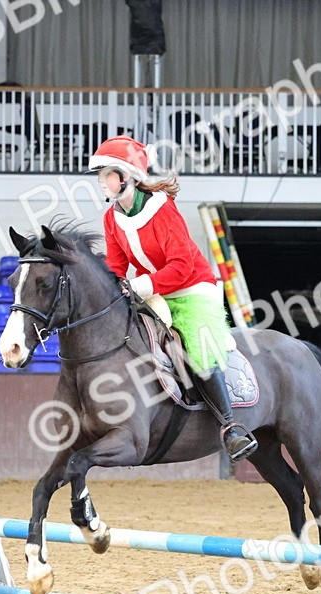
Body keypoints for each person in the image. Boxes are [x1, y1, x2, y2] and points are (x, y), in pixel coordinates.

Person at [87, 135, 257, 462]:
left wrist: (140, 287)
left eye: (106, 174)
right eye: (100, 175)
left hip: (193, 289)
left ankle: (231, 426)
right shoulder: (112, 219)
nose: (100, 182)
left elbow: (181, 266)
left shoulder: (162, 209)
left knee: (196, 342)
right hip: (152, 290)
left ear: (127, 177)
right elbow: (117, 266)